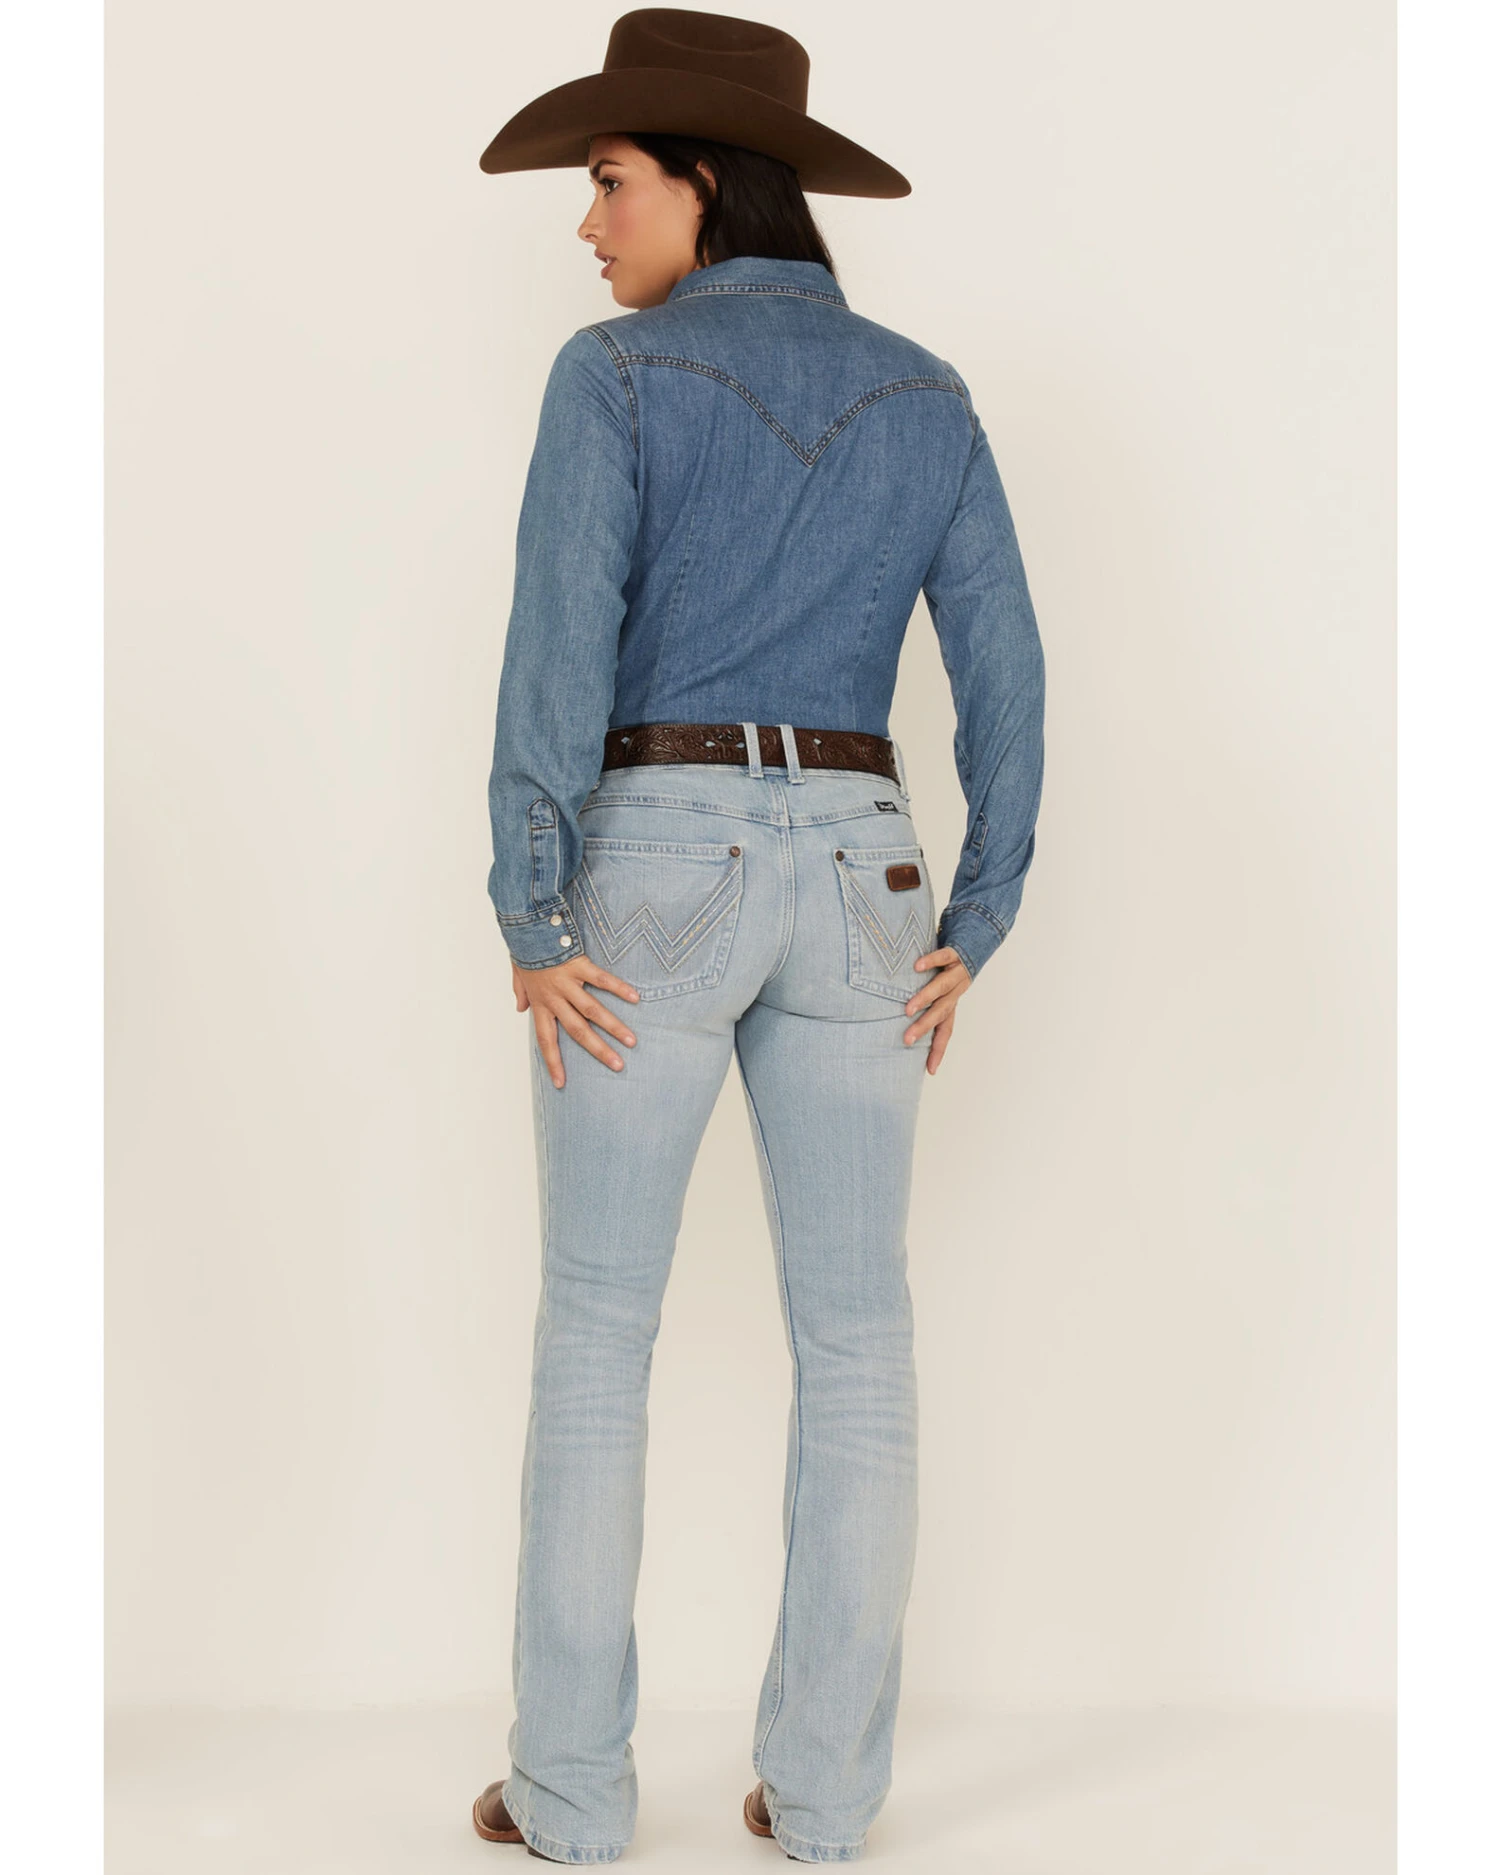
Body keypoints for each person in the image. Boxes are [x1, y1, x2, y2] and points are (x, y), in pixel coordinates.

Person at [470, 10, 1046, 1865]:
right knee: (859, 1339)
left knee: (597, 1331)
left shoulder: (616, 375)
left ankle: (571, 1798)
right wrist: (978, 908)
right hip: (868, 871)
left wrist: (529, 901)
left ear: (703, 186)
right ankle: (824, 1801)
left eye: (609, 184)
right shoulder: (926, 393)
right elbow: (1010, 672)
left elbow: (559, 647)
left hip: (659, 856)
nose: (589, 226)